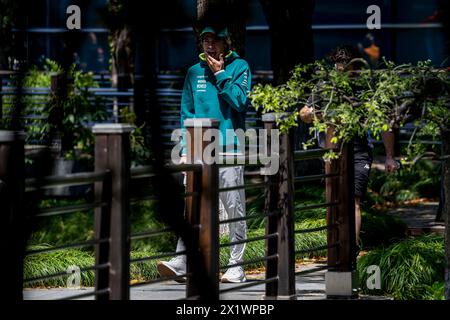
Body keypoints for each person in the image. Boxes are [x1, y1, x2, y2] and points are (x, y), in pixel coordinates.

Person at [157, 26, 251, 283]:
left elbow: (241, 102)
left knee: (234, 208)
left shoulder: (239, 67)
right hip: (199, 149)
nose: (210, 45)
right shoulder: (193, 72)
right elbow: (186, 114)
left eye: (215, 40)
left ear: (226, 42)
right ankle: (183, 260)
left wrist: (220, 74)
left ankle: (236, 265)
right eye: (205, 40)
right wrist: (186, 151)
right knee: (192, 206)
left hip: (230, 148)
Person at [299, 46, 398, 255]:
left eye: (346, 68)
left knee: (353, 200)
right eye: (338, 67)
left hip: (359, 150)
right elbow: (305, 111)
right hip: (332, 151)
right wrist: (307, 114)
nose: (341, 72)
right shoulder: (325, 85)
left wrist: (390, 156)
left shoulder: (366, 87)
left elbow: (385, 122)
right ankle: (333, 247)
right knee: (333, 198)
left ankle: (349, 251)